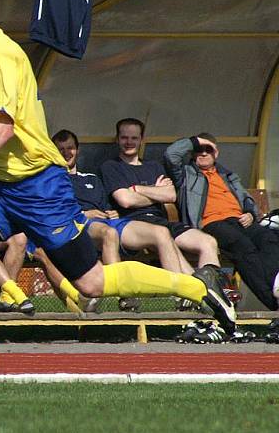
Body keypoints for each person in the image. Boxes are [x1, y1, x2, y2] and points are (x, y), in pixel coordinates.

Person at [0, 0, 236, 394]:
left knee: (92, 282)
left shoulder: (2, 55)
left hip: (40, 190)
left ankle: (199, 287)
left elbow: (4, 127)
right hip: (6, 190)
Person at [52, 129, 193, 311]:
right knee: (108, 233)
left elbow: (111, 202)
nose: (66, 153)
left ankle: (182, 294)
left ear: (77, 150)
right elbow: (54, 212)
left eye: (70, 148)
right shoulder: (52, 181)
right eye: (60, 149)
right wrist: (86, 214)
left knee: (161, 232)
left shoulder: (92, 178)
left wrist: (112, 211)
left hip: (110, 221)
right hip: (80, 224)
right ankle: (125, 297)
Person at [165, 133, 279, 310]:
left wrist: (249, 212)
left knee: (268, 239)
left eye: (208, 150)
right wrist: (196, 141)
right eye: (199, 150)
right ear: (193, 153)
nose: (203, 154)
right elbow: (171, 155)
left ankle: (276, 287)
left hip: (240, 220)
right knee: (242, 246)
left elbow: (246, 198)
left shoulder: (227, 175)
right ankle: (272, 302)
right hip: (212, 223)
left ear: (216, 153)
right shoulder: (186, 175)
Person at [100, 119, 221, 274]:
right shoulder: (110, 167)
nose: (129, 142)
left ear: (142, 140)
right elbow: (126, 201)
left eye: (134, 138)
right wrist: (156, 191)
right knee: (164, 237)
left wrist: (137, 189)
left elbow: (170, 195)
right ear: (117, 139)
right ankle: (195, 289)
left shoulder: (154, 166)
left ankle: (210, 286)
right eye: (124, 137)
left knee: (208, 241)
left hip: (162, 221)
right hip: (134, 223)